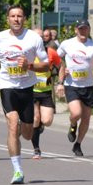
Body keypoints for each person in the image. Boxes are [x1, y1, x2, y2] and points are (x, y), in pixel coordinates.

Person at [0, 5, 49, 184]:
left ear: (24, 19)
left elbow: (45, 65)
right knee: (13, 125)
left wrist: (29, 66)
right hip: (7, 86)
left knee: (28, 134)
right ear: (8, 19)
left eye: (19, 16)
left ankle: (27, 126)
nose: (16, 19)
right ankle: (17, 171)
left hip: (27, 87)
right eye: (13, 16)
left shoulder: (33, 38)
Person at [57, 20, 93, 157]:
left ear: (89, 30)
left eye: (85, 29)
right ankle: (73, 125)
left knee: (86, 118)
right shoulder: (67, 44)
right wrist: (60, 79)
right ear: (76, 30)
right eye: (80, 29)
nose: (83, 31)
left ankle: (78, 144)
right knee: (76, 113)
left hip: (88, 86)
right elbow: (56, 59)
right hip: (72, 85)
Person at [29, 27, 62, 159]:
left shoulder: (50, 52)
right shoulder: (26, 52)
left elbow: (61, 66)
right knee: (35, 119)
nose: (40, 39)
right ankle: (36, 149)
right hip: (30, 91)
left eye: (41, 37)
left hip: (46, 92)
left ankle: (38, 126)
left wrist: (60, 83)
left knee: (47, 121)